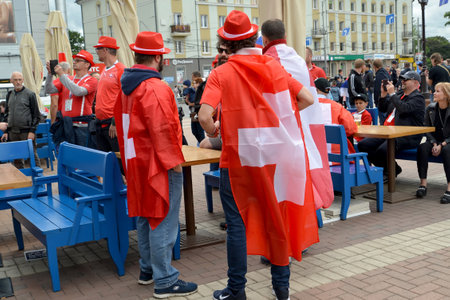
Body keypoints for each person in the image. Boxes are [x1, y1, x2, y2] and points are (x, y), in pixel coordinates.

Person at [199, 11, 317, 300]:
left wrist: (215, 129)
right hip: (275, 158)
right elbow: (307, 98)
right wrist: (279, 118)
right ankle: (281, 289)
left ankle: (237, 290)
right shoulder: (274, 68)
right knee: (276, 217)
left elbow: (204, 115)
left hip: (239, 159)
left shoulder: (221, 72)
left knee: (237, 224)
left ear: (226, 44)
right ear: (255, 38)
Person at [114, 31, 198, 299]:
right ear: (159, 57)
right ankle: (165, 280)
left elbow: (121, 123)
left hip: (136, 162)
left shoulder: (126, 85)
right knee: (162, 218)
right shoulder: (155, 87)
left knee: (144, 215)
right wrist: (173, 163)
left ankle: (147, 270)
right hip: (157, 164)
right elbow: (163, 127)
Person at [358, 71, 425, 176]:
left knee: (382, 150)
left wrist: (392, 94)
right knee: (363, 145)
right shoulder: (399, 94)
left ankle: (388, 172)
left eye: (406, 79)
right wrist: (383, 95)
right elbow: (383, 108)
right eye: (402, 79)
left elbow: (404, 109)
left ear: (416, 83)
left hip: (406, 135)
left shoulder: (418, 98)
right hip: (389, 132)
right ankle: (392, 169)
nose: (402, 81)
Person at [47, 50, 98, 148]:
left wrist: (62, 75)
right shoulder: (68, 79)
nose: (74, 62)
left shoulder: (92, 80)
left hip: (81, 126)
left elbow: (78, 92)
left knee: (81, 156)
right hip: (67, 124)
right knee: (68, 156)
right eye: (74, 60)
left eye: (78, 60)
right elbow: (49, 89)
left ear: (87, 64)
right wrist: (50, 75)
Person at [416, 82, 450, 203]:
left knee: (447, 151)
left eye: (437, 91)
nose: (434, 93)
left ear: (446, 95)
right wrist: (434, 143)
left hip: (448, 142)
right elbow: (427, 129)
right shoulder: (430, 108)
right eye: (434, 90)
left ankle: (449, 188)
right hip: (435, 141)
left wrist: (442, 145)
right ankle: (423, 184)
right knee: (422, 148)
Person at [93, 36, 125, 156]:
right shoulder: (105, 70)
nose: (96, 52)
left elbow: (124, 98)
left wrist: (115, 122)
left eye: (98, 49)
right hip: (101, 124)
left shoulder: (120, 69)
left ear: (105, 50)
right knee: (107, 163)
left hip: (112, 125)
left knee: (119, 161)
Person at [0, 72, 41, 168]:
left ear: (23, 80)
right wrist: (6, 131)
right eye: (15, 80)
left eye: (19, 79)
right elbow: (7, 114)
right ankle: (21, 180)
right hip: (13, 133)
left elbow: (36, 115)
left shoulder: (30, 94)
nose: (18, 82)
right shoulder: (9, 94)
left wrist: (32, 131)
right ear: (11, 81)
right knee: (16, 157)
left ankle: (39, 179)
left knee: (32, 156)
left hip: (26, 131)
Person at [315, 77, 357, 153]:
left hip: (312, 159)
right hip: (337, 156)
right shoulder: (337, 107)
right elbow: (350, 129)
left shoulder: (304, 107)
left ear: (315, 89)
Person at [44, 53, 72, 124]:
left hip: (61, 117)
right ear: (69, 70)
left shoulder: (56, 82)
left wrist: (53, 122)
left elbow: (54, 104)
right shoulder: (74, 80)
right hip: (74, 117)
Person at [373, 59, 390, 124]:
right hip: (386, 99)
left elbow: (378, 89)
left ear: (374, 66)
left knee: (383, 121)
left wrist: (377, 101)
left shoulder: (380, 75)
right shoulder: (385, 73)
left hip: (382, 100)